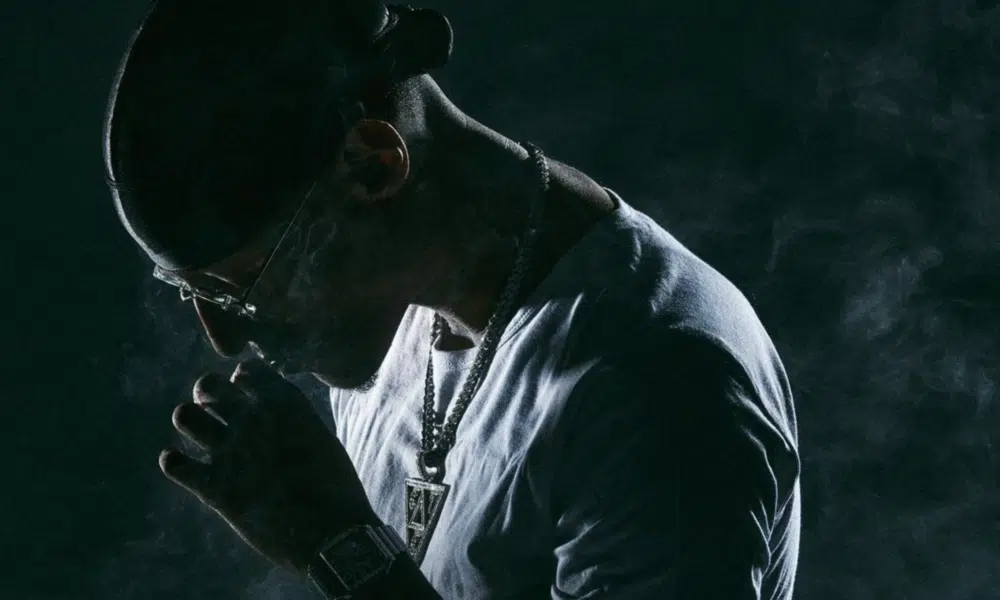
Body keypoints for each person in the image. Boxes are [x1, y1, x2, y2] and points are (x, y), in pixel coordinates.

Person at [103, 1, 802, 598]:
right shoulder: (391, 322)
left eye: (243, 288)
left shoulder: (658, 389)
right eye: (192, 295)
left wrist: (340, 546)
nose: (224, 337)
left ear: (373, 165)